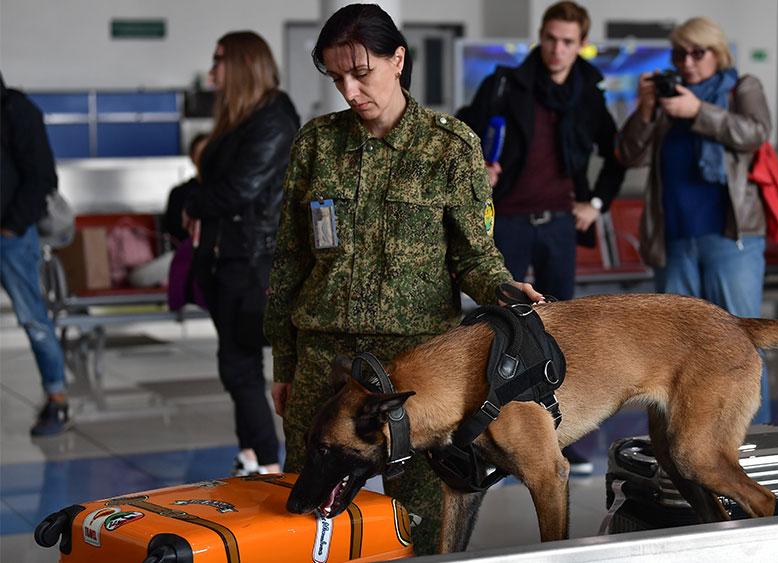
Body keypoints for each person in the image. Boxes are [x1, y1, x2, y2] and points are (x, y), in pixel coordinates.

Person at [263, 4, 541, 554]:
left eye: (360, 72)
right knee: (310, 521)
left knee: (419, 518)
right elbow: (291, 260)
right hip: (324, 364)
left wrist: (503, 290)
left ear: (398, 60)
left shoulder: (449, 148)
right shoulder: (316, 144)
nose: (349, 89)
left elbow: (474, 257)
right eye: (336, 76)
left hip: (415, 374)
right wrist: (285, 363)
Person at [456, 1, 625, 473]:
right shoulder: (507, 82)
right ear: (541, 35)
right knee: (501, 325)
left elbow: (616, 156)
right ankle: (496, 433)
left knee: (561, 330)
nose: (557, 49)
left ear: (580, 43)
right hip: (509, 217)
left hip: (558, 224)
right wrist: (478, 168)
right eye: (550, 38)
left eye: (568, 41)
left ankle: (559, 434)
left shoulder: (588, 93)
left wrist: (595, 205)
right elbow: (464, 134)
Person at [617, 16, 772, 423]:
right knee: (673, 350)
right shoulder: (667, 102)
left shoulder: (741, 87)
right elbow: (629, 154)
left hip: (729, 239)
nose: (687, 62)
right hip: (674, 241)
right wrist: (646, 109)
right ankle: (690, 447)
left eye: (697, 52)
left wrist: (698, 110)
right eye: (679, 53)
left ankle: (754, 439)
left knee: (741, 342)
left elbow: (755, 132)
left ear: (717, 53)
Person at [183, 31, 300, 476]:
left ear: (242, 64)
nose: (212, 69)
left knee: (239, 365)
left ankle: (268, 462)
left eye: (219, 60)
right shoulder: (242, 116)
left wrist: (194, 203)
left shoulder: (272, 118)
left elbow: (240, 188)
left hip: (252, 262)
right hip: (228, 258)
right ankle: (253, 455)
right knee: (237, 363)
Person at [0, 76, 70, 436]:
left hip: (10, 237)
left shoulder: (15, 109)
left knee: (33, 319)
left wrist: (11, 225)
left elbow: (42, 176)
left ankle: (56, 399)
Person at [163, 133, 209, 247]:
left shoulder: (226, 192)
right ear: (192, 158)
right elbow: (173, 230)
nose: (205, 159)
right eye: (200, 154)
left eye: (209, 154)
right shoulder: (179, 193)